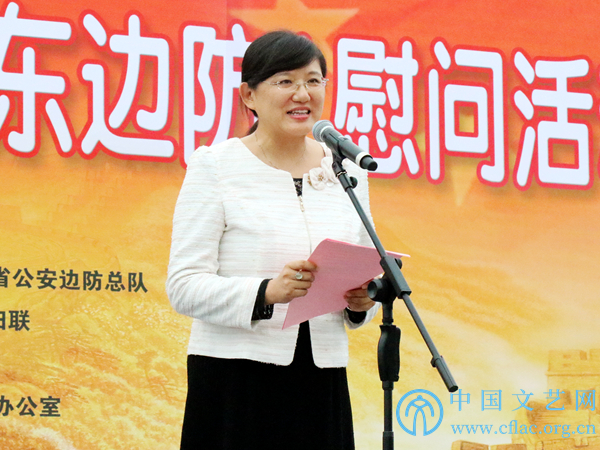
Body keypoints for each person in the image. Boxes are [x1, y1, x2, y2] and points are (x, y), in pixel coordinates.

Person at [166, 30, 379, 450]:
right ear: (249, 95)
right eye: (286, 81)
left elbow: (363, 268)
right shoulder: (216, 166)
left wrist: (362, 303)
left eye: (313, 80)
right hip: (236, 380)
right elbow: (183, 286)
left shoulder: (346, 172)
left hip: (320, 379)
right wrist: (267, 292)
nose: (303, 94)